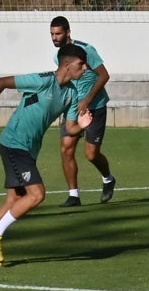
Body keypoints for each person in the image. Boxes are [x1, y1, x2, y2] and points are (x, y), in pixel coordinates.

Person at [0, 43, 94, 267]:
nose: (85, 68)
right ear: (66, 64)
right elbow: (1, 82)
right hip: (13, 144)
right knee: (36, 194)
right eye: (81, 64)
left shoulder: (72, 93)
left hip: (28, 149)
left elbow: (71, 127)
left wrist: (82, 125)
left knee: (14, 200)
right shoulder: (43, 81)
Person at [49, 16, 116, 206]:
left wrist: (86, 100)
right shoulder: (58, 57)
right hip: (72, 108)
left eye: (58, 33)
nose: (55, 37)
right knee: (66, 149)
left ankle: (108, 179)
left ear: (68, 32)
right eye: (52, 34)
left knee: (91, 154)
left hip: (94, 107)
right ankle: (73, 195)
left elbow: (104, 75)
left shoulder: (87, 50)